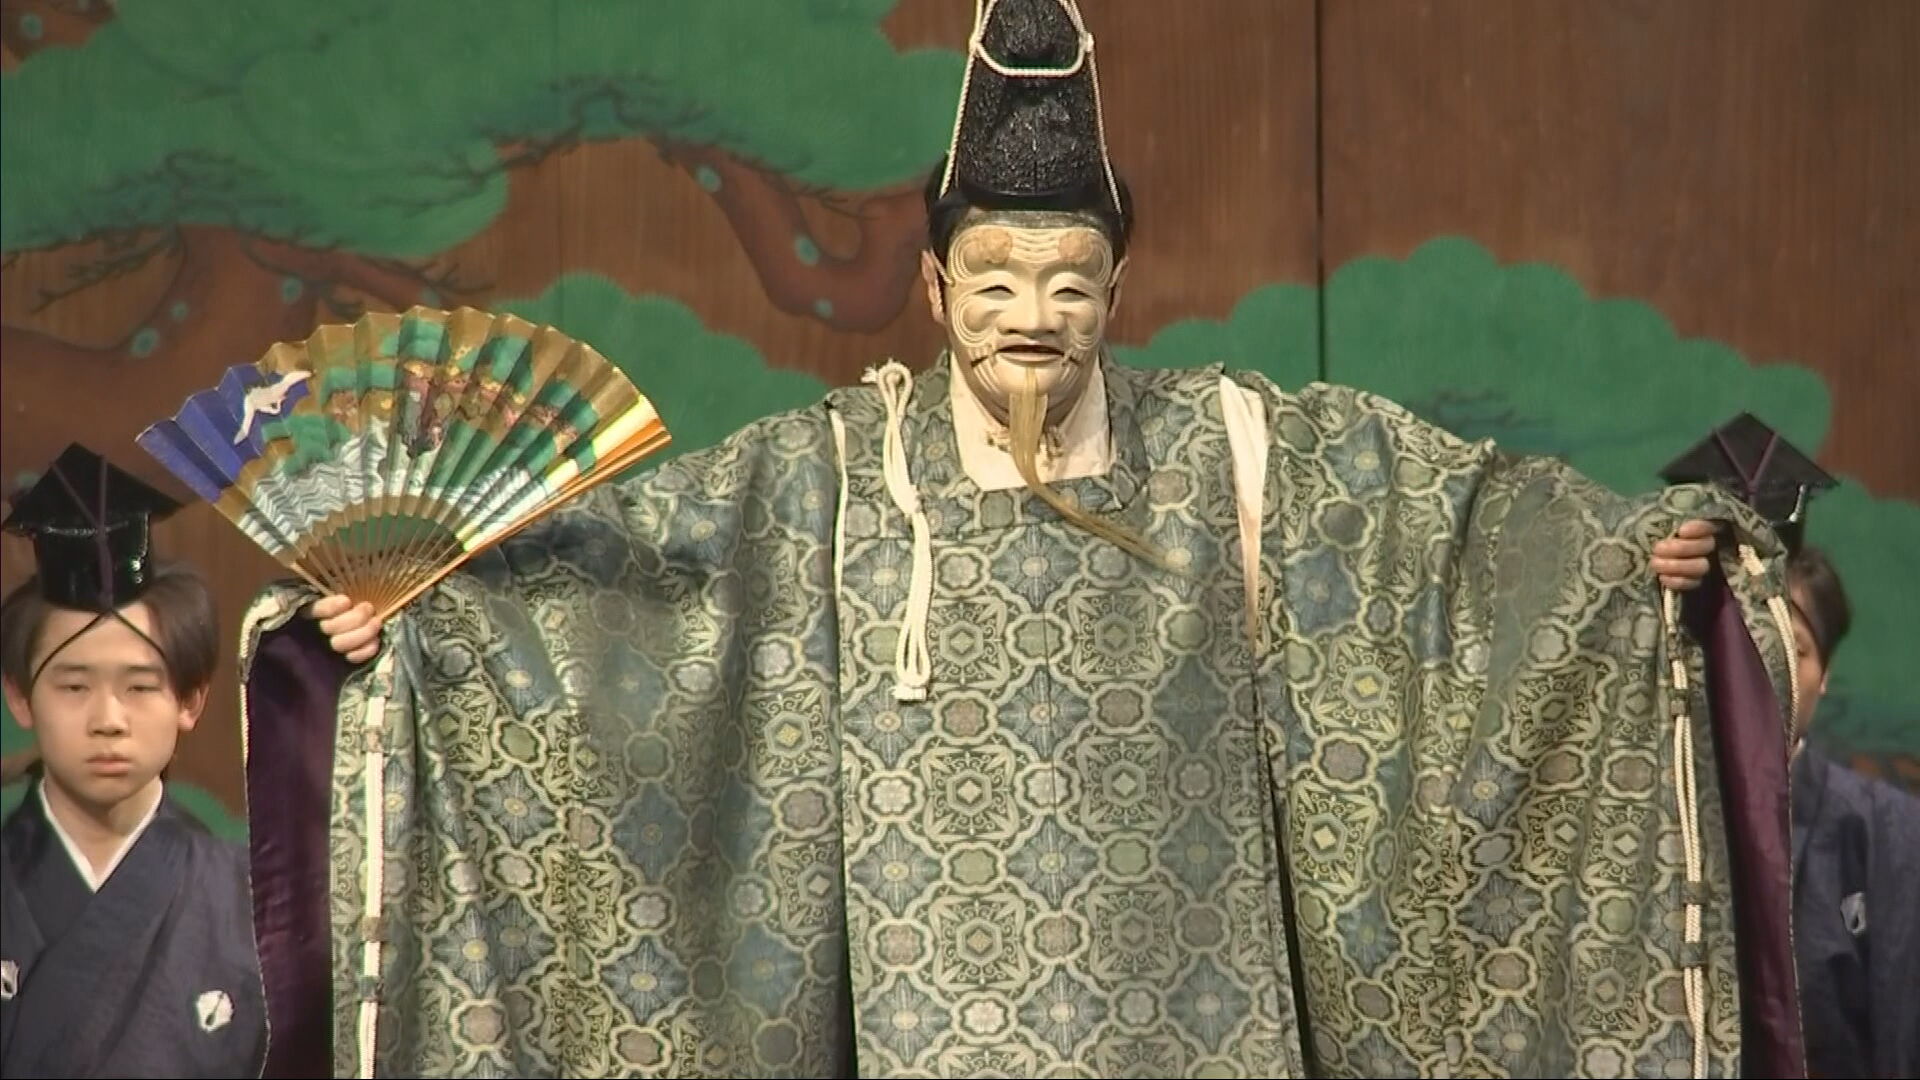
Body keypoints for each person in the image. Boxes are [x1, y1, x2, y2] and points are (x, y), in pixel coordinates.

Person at [239, 1, 1799, 1076]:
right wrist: (423, 612)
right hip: (923, 1035)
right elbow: (629, 588)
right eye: (994, 282)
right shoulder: (833, 474)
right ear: (933, 290)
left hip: (1205, 1029)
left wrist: (1627, 562)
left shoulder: (1242, 450)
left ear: (1119, 288)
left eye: (1069, 283)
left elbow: (1453, 541)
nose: (1033, 315)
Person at [0, 444, 267, 1078]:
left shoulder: (251, 900)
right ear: (20, 698)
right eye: (73, 686)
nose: (108, 719)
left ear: (190, 700)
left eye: (141, 686)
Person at [1782, 545, 1920, 1078]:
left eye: (1794, 649)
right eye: (1751, 640)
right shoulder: (1669, 817)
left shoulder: (1887, 830)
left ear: (1824, 674)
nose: (1769, 666)